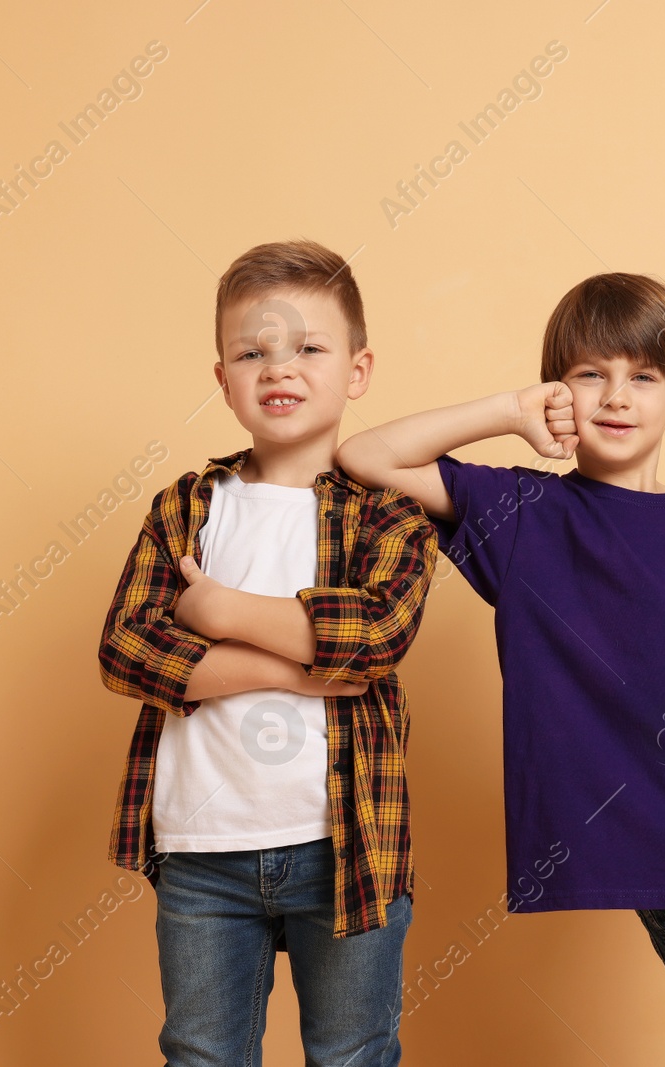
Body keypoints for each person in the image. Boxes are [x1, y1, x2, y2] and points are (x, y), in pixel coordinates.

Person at [336, 272, 665, 1066]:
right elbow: (362, 455)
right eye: (589, 374)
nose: (616, 396)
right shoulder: (522, 516)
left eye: (642, 376)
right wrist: (507, 413)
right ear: (557, 390)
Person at [97, 239, 437, 1066]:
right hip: (202, 848)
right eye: (252, 353)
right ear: (223, 378)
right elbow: (126, 647)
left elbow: (376, 635)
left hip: (347, 845)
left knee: (353, 1051)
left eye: (308, 349)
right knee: (202, 1052)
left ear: (357, 370)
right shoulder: (188, 506)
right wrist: (299, 666)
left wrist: (216, 609)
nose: (278, 369)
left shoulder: (388, 514)